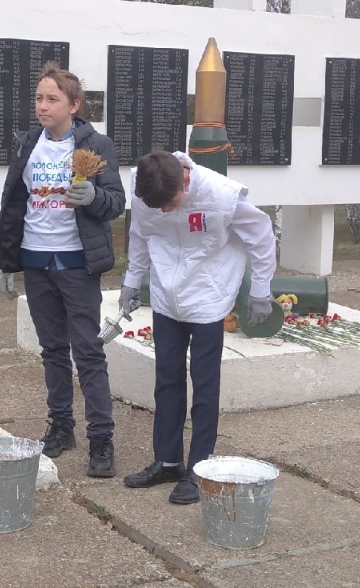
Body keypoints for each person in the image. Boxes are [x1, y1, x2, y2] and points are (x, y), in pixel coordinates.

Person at [120, 150, 276, 504]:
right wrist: (132, 281)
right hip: (166, 295)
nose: (164, 211)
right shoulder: (145, 187)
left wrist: (261, 290)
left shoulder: (221, 195)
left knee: (204, 386)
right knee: (166, 380)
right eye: (158, 207)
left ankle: (199, 467)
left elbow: (262, 236)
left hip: (208, 295)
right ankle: (168, 460)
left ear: (185, 181)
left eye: (170, 204)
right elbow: (140, 234)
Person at [0, 62, 125, 478]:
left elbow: (116, 202)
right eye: (39, 98)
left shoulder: (96, 144)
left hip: (76, 262)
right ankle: (61, 426)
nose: (43, 106)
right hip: (36, 259)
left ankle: (101, 439)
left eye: (52, 99)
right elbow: (14, 203)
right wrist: (6, 261)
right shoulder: (27, 144)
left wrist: (93, 197)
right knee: (52, 349)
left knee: (87, 351)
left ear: (73, 105)